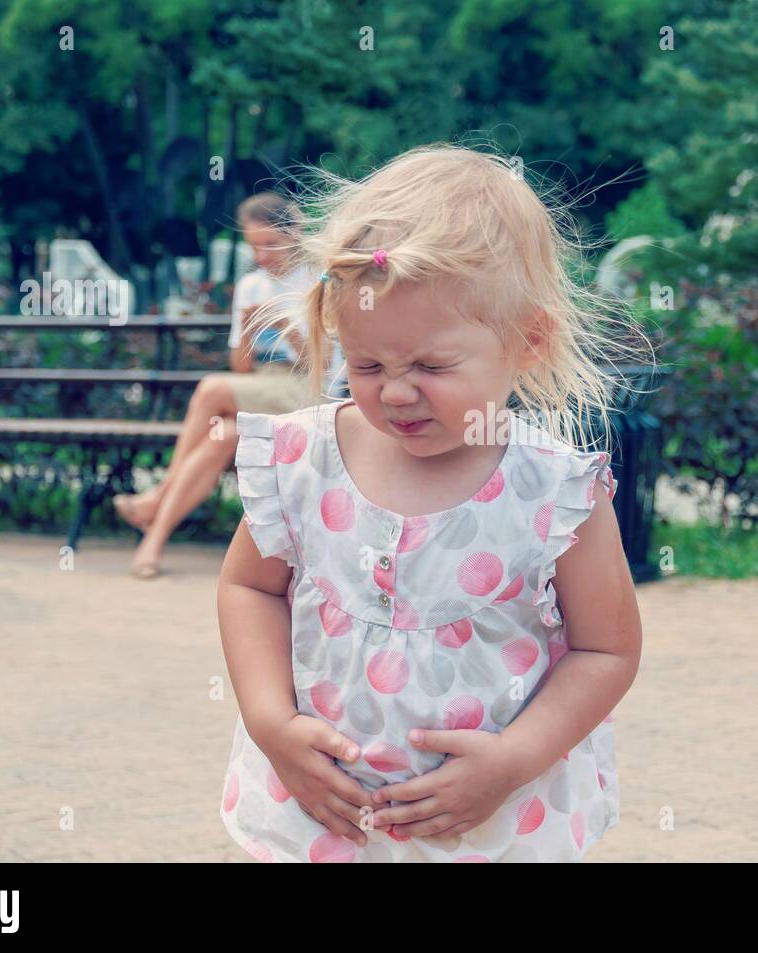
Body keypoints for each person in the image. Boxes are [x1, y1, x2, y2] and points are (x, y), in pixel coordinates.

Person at [216, 143, 648, 862]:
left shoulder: (554, 489)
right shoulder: (303, 459)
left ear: (528, 341)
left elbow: (606, 648)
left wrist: (514, 758)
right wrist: (271, 724)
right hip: (326, 817)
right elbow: (248, 587)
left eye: (431, 365)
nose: (396, 390)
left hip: (492, 825)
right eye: (368, 363)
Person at [112, 192, 344, 578]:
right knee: (222, 435)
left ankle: (157, 497)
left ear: (295, 234)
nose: (263, 256)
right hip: (266, 387)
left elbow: (320, 367)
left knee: (210, 389)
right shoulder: (252, 285)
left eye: (271, 244)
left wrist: (282, 324)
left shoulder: (317, 279)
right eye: (255, 246)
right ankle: (152, 543)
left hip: (309, 390)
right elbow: (240, 367)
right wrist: (251, 329)